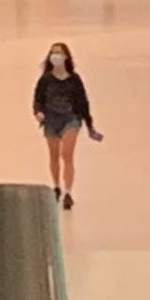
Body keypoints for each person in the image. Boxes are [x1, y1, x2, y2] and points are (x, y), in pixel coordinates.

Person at [32, 43, 101, 209]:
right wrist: (38, 112)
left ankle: (68, 192)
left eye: (59, 53)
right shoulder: (45, 79)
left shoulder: (75, 80)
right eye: (53, 53)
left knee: (67, 154)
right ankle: (56, 186)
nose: (56, 56)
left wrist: (89, 124)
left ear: (66, 57)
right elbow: (38, 99)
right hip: (51, 120)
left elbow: (83, 102)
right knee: (54, 156)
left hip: (71, 118)